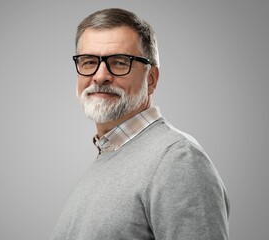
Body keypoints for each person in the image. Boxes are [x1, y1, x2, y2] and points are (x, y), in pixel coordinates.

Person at [50, 8, 230, 240]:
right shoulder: (107, 157)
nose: (100, 75)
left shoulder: (176, 160)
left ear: (151, 79)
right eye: (88, 62)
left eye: (119, 62)